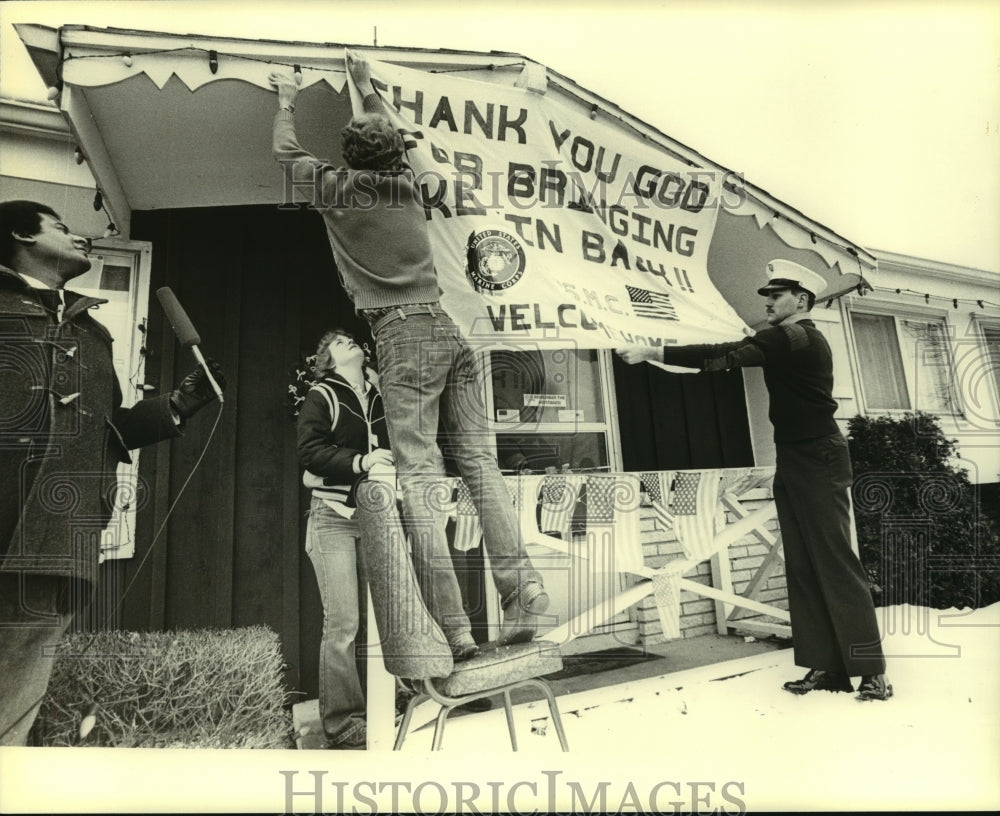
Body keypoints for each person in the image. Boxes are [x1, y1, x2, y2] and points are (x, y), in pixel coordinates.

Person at [269, 55, 548, 661]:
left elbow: (286, 153)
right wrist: (367, 91)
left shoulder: (334, 189)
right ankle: (525, 597)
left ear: (347, 157)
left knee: (419, 479)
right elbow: (391, 136)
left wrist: (286, 96)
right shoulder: (405, 184)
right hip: (449, 331)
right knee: (480, 468)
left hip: (401, 335)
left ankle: (456, 631)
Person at [0, 200, 226, 745]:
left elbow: (107, 431)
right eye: (60, 225)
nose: (80, 237)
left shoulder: (93, 333)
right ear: (21, 235)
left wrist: (175, 406)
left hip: (57, 533)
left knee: (18, 682)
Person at [617, 259, 892, 702]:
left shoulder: (795, 336)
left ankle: (872, 672)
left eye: (775, 295)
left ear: (800, 300)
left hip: (818, 456)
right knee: (802, 566)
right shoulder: (786, 337)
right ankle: (826, 667)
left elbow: (722, 356)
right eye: (766, 294)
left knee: (836, 564)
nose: (767, 302)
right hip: (795, 456)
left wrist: (654, 351)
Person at [296, 329, 392, 749]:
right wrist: (361, 461)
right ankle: (342, 723)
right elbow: (310, 452)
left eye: (351, 339)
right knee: (343, 623)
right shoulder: (324, 394)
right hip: (332, 517)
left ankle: (390, 699)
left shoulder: (377, 393)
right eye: (338, 342)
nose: (349, 342)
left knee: (384, 613)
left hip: (375, 516)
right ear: (328, 360)